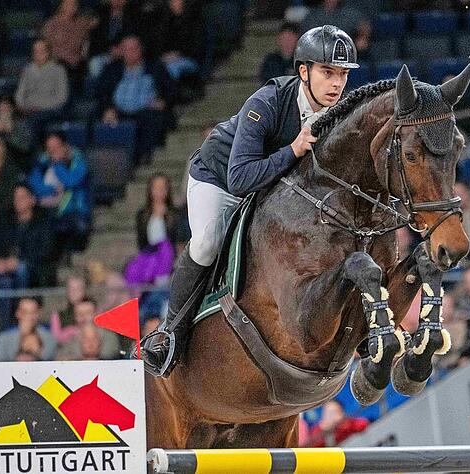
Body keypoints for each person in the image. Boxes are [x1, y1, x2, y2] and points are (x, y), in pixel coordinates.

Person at [141, 25, 360, 376]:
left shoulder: (339, 111)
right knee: (207, 243)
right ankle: (171, 333)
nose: (336, 84)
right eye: (327, 73)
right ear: (303, 71)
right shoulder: (268, 101)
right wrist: (293, 149)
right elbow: (239, 179)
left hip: (271, 187)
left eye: (343, 75)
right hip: (218, 179)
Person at [96, 35, 175, 165]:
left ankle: (143, 157)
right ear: (122, 51)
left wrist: (163, 101)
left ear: (141, 49)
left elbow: (171, 89)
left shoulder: (155, 66)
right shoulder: (111, 69)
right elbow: (101, 93)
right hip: (118, 112)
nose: (131, 52)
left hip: (146, 110)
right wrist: (107, 109)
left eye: (134, 48)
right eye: (127, 49)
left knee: (153, 119)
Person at [27, 131, 92, 259]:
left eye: (56, 147)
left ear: (65, 146)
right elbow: (35, 185)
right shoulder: (42, 163)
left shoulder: (80, 162)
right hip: (46, 207)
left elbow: (71, 182)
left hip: (74, 211)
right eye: (49, 149)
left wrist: (58, 165)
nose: (53, 152)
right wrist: (53, 189)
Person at [14, 39, 69, 141]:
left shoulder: (58, 70)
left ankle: (28, 150)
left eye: (42, 51)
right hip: (28, 110)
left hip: (51, 110)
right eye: (36, 51)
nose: (38, 54)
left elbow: (62, 98)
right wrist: (24, 106)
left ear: (48, 52)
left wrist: (38, 107)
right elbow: (20, 94)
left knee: (34, 121)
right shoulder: (27, 70)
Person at [41, 0, 97, 84]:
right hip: (58, 60)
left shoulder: (81, 23)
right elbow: (45, 46)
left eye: (74, 5)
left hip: (77, 62)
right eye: (68, 4)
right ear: (61, 6)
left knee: (82, 69)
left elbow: (96, 21)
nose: (72, 7)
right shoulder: (51, 24)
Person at [0, 297, 57, 362]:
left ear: (38, 314)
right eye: (24, 312)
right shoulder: (4, 337)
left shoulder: (49, 337)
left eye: (33, 312)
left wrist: (38, 352)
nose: (29, 316)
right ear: (17, 313)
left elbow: (50, 358)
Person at [87, 0, 139, 79]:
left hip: (124, 52)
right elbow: (95, 38)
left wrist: (122, 49)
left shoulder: (133, 12)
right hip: (104, 52)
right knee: (95, 64)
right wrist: (110, 50)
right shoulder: (100, 12)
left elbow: (133, 34)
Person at [157, 0, 205, 82]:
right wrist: (164, 56)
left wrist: (177, 54)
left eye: (176, 1)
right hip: (167, 59)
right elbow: (160, 44)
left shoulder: (194, 20)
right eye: (171, 1)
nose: (173, 3)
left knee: (171, 69)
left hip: (190, 59)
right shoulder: (166, 21)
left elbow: (196, 46)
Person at [303, 399, 369, 447]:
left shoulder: (346, 424)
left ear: (341, 414)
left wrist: (340, 423)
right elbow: (310, 446)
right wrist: (323, 431)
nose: (330, 416)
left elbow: (363, 424)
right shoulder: (318, 429)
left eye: (333, 412)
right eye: (327, 413)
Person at [49, 273, 88, 343]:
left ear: (84, 290)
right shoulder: (58, 315)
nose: (75, 292)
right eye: (72, 289)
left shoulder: (93, 310)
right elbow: (55, 338)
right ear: (67, 291)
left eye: (78, 289)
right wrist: (72, 331)